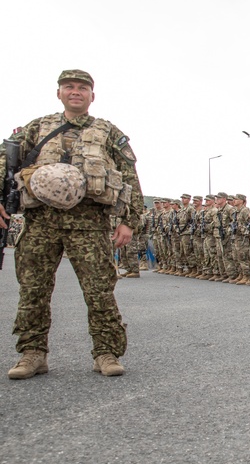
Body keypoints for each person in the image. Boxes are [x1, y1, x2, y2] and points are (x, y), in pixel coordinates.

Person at [1, 69, 144, 379]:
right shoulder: (37, 127)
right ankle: (32, 353)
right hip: (41, 222)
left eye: (82, 88)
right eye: (69, 87)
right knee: (33, 289)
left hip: (89, 222)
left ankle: (106, 352)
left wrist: (128, 221)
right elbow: (5, 157)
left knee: (99, 290)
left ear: (92, 95)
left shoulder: (107, 132)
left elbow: (130, 175)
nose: (75, 92)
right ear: (59, 93)